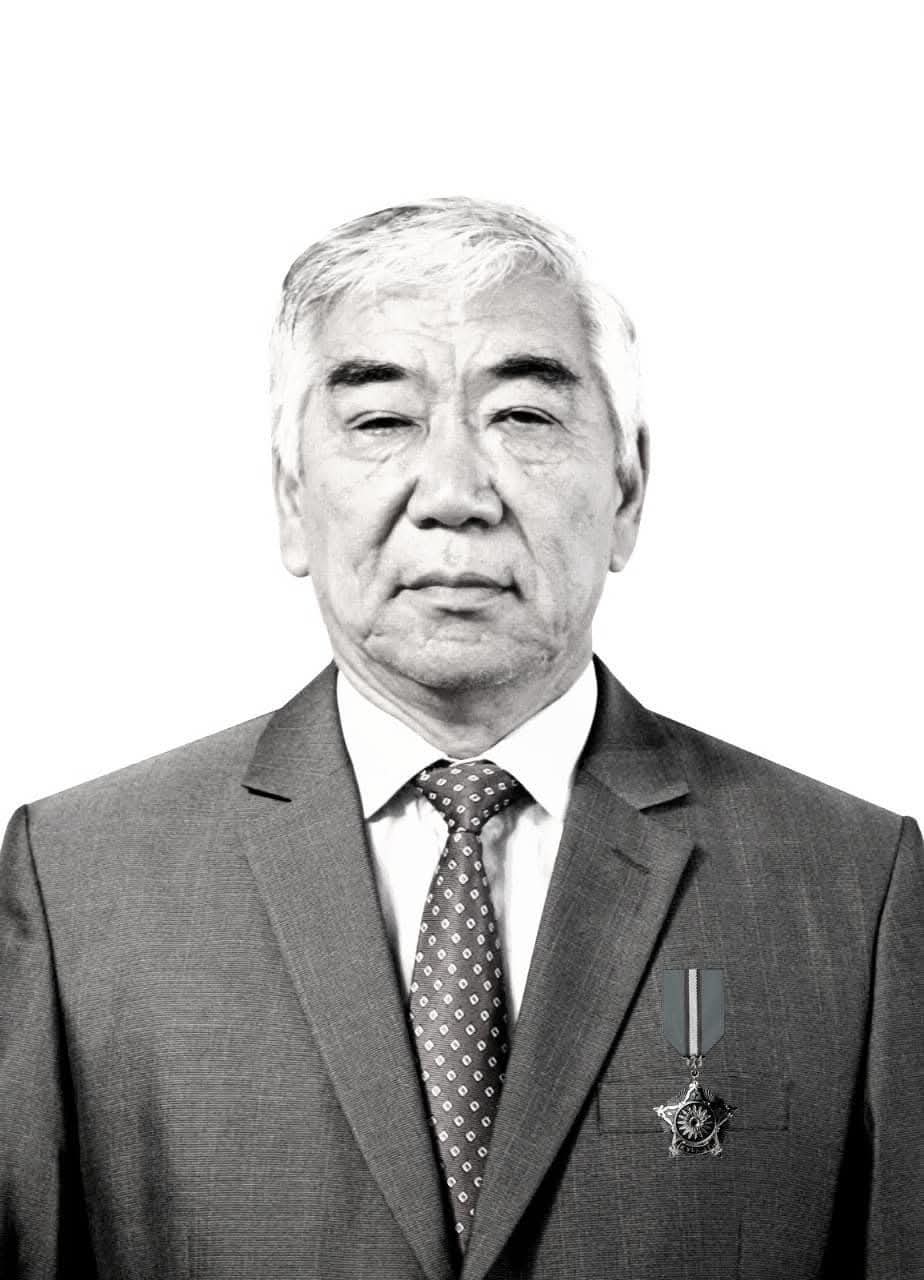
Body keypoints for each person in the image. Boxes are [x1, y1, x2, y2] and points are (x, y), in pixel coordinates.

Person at [1, 198, 920, 1280]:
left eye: (523, 416)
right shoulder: (80, 883)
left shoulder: (855, 890)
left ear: (628, 489)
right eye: (381, 421)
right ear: (291, 498)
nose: (453, 494)